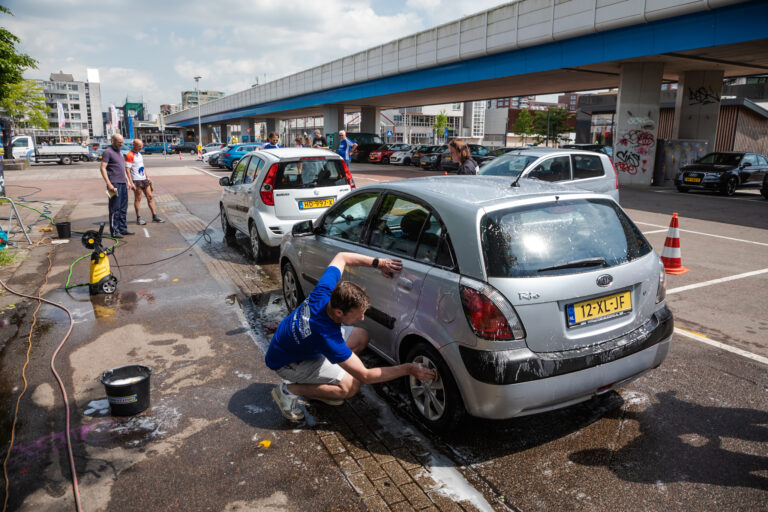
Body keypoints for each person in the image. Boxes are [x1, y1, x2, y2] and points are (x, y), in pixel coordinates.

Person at [265, 251, 436, 421]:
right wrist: (409, 369)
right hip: (287, 363)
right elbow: (366, 376)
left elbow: (342, 257)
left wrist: (380, 263)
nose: (362, 318)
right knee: (350, 386)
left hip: (294, 344)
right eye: (358, 314)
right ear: (339, 312)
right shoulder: (327, 337)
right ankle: (289, 391)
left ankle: (322, 386)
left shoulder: (324, 293)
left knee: (361, 336)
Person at [100, 133, 134, 238]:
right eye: (119, 142)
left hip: (122, 183)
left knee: (123, 207)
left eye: (122, 142)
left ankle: (123, 228)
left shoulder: (120, 152)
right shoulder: (107, 152)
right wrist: (109, 183)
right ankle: (114, 231)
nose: (121, 144)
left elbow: (123, 168)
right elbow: (102, 168)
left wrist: (128, 181)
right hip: (113, 183)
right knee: (115, 208)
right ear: (113, 141)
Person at [125, 138, 165, 226]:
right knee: (138, 198)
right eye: (139, 146)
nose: (141, 147)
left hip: (144, 179)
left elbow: (142, 166)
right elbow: (127, 170)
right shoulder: (129, 155)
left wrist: (147, 176)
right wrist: (131, 182)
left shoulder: (139, 154)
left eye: (141, 146)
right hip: (136, 180)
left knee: (150, 196)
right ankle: (138, 218)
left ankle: (155, 216)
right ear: (134, 146)